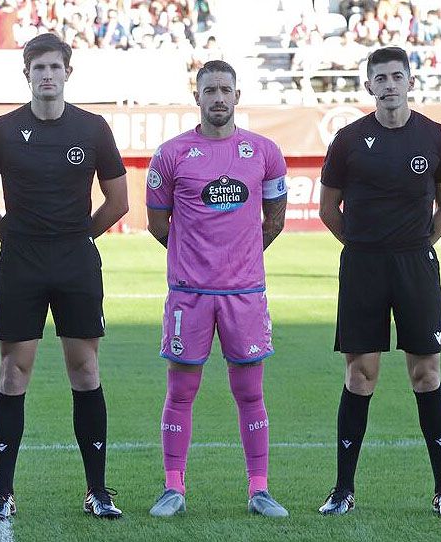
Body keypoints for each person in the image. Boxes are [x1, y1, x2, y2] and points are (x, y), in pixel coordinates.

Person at [0, 32, 129, 520]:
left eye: (54, 68)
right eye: (37, 68)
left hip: (75, 261)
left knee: (84, 370)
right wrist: (14, 240)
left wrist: (78, 239)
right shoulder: (2, 129)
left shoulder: (93, 128)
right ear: (26, 74)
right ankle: (3, 493)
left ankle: (98, 491)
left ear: (67, 73)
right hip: (21, 262)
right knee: (13, 371)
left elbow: (119, 201)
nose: (46, 76)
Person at [317, 46, 441, 518]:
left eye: (396, 76)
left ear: (409, 82)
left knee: (426, 374)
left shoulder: (436, 138)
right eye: (379, 78)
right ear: (368, 86)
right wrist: (362, 246)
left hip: (414, 265)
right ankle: (343, 490)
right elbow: (327, 209)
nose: (388, 85)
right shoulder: (347, 140)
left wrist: (418, 245)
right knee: (361, 375)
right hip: (363, 265)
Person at [144, 60, 289, 519]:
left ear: (237, 96)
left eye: (226, 90)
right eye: (210, 90)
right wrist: (197, 259)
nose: (219, 98)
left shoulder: (265, 152)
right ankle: (173, 487)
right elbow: (157, 224)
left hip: (244, 293)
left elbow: (275, 221)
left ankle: (260, 489)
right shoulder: (171, 155)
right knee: (181, 390)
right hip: (190, 293)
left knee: (250, 392)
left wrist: (239, 258)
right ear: (198, 97)